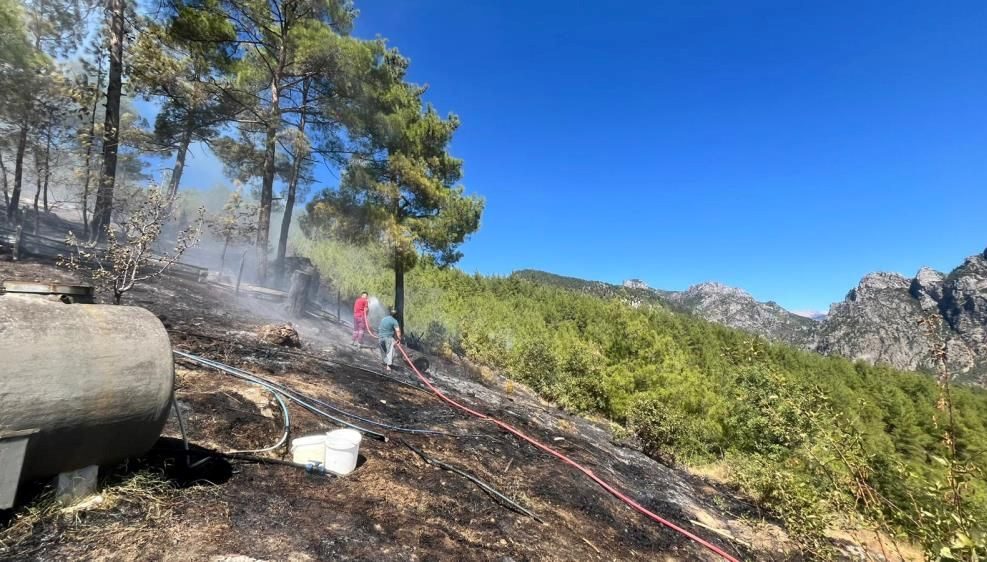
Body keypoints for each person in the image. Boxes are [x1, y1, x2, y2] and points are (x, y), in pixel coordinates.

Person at [378, 306, 402, 371]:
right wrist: (399, 339)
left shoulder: (384, 319)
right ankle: (388, 366)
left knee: (383, 350)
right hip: (388, 338)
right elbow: (398, 331)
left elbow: (380, 327)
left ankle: (384, 362)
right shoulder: (394, 321)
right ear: (396, 315)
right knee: (390, 351)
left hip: (380, 337)